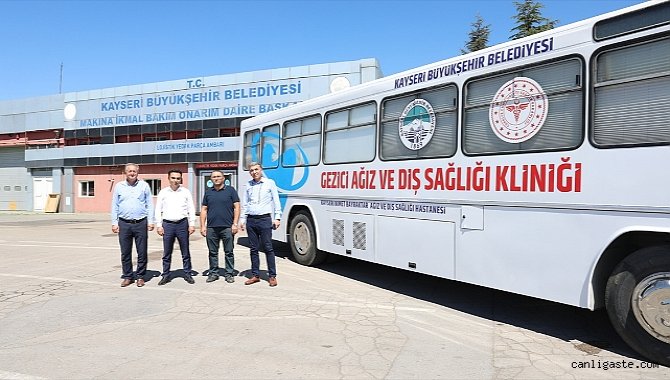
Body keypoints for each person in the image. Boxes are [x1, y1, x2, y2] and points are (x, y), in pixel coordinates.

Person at [111, 163, 155, 287]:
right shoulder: (119, 186)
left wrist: (151, 221)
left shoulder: (144, 186)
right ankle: (127, 276)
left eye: (134, 171)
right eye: (129, 171)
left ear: (138, 172)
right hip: (124, 223)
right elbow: (115, 205)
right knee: (125, 252)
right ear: (125, 172)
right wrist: (114, 223)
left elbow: (150, 204)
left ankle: (140, 276)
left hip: (141, 222)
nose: (132, 173)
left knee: (142, 251)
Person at [239, 162, 282, 287]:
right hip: (251, 221)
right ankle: (255, 275)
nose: (254, 172)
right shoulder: (248, 185)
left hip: (265, 220)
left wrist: (277, 217)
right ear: (249, 173)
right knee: (253, 249)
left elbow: (276, 200)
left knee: (268, 247)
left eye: (256, 169)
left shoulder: (269, 183)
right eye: (251, 170)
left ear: (261, 170)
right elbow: (245, 203)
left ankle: (272, 276)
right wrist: (243, 219)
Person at [155, 169, 196, 285]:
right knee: (167, 252)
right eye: (173, 178)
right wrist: (159, 225)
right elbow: (158, 209)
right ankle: (166, 275)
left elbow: (191, 208)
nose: (175, 180)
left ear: (181, 179)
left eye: (178, 178)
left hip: (182, 224)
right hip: (167, 225)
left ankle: (188, 274)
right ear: (168, 179)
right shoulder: (163, 192)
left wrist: (192, 224)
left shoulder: (185, 192)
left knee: (185, 251)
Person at [200, 170, 240, 283]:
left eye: (218, 176)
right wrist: (203, 226)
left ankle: (229, 273)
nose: (216, 178)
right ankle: (213, 273)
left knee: (229, 252)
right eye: (213, 177)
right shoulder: (208, 192)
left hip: (227, 227)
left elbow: (237, 207)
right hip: (212, 228)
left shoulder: (231, 191)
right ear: (211, 179)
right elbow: (204, 209)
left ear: (223, 178)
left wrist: (235, 224)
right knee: (212, 252)